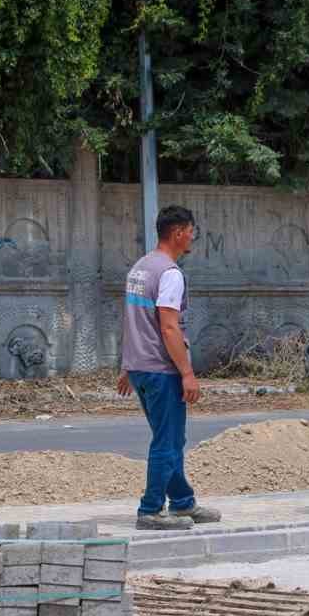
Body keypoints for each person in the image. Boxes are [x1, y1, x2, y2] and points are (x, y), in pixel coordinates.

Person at [116, 205, 222, 531]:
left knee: (170, 438)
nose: (193, 236)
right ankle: (150, 510)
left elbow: (133, 321)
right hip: (161, 370)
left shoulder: (140, 268)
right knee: (167, 441)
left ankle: (182, 502)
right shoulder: (169, 274)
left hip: (139, 367)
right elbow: (169, 328)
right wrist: (187, 373)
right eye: (191, 231)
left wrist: (126, 367)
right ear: (178, 233)